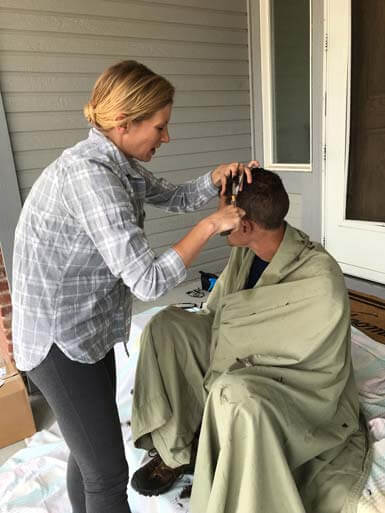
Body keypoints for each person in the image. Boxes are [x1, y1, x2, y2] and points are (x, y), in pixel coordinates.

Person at [11, 60, 257, 513]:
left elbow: (173, 195)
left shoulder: (118, 161)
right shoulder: (90, 177)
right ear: (125, 123)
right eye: (160, 127)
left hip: (89, 330)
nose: (167, 137)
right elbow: (147, 280)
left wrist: (215, 179)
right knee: (107, 474)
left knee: (92, 454)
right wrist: (209, 226)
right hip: (58, 341)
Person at [129, 168, 369, 513]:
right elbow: (219, 314)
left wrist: (237, 347)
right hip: (239, 355)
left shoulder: (320, 276)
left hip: (292, 384)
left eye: (224, 211)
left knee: (233, 392)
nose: (218, 218)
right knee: (166, 326)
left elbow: (307, 363)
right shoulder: (245, 252)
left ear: (244, 226)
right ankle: (178, 451)